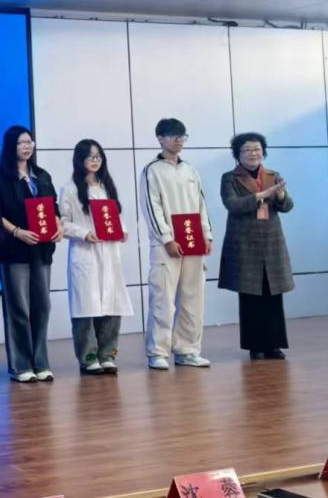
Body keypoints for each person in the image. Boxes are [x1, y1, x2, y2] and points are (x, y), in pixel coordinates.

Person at [0, 125, 61, 383]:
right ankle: (21, 365)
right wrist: (17, 232)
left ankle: (41, 362)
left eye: (29, 141)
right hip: (14, 250)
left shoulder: (41, 176)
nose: (27, 146)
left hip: (41, 250)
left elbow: (53, 208)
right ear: (11, 146)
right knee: (18, 307)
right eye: (21, 142)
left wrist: (59, 226)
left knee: (42, 306)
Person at [139, 118, 213, 370]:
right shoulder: (152, 170)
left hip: (193, 242)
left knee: (193, 297)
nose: (179, 140)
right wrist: (167, 238)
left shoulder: (190, 169)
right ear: (160, 138)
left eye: (182, 136)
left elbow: (201, 204)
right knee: (162, 299)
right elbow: (152, 208)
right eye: (173, 135)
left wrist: (207, 235)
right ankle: (157, 352)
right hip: (165, 246)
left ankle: (187, 350)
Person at [57, 139, 134, 375]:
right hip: (85, 253)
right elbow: (63, 223)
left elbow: (116, 217)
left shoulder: (106, 186)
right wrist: (84, 233)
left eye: (98, 156)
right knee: (86, 307)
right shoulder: (69, 189)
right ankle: (88, 357)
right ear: (79, 159)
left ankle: (107, 354)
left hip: (109, 252)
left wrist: (122, 230)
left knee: (112, 303)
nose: (95, 160)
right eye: (90, 156)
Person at [218, 132, 293, 360]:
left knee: (273, 295)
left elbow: (287, 206)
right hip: (245, 243)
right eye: (247, 150)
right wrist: (262, 195)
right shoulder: (229, 178)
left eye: (257, 149)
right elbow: (232, 204)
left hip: (271, 242)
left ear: (263, 152)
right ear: (238, 154)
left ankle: (274, 345)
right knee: (251, 296)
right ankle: (255, 346)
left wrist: (280, 195)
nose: (253, 154)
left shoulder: (273, 175)